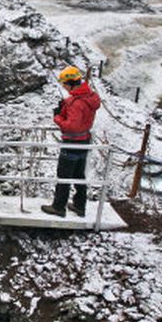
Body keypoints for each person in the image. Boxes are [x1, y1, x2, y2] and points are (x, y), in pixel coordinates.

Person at [41, 65, 101, 218]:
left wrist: (58, 117)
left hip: (72, 142)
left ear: (70, 83)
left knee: (64, 176)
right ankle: (79, 205)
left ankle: (58, 207)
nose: (64, 87)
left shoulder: (75, 102)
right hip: (84, 141)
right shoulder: (89, 97)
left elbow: (72, 126)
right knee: (79, 175)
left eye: (64, 84)